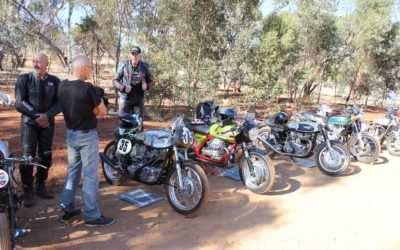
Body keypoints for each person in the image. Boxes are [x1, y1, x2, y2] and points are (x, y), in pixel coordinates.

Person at [58, 55, 115, 227]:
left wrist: (92, 108)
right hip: (87, 136)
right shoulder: (87, 88)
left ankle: (67, 207)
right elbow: (103, 111)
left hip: (71, 134)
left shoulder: (62, 85)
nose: (90, 70)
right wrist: (96, 108)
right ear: (82, 67)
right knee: (90, 175)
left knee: (73, 172)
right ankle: (91, 214)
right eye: (89, 67)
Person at [14, 52, 61, 207]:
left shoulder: (54, 81)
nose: (35, 64)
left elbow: (60, 103)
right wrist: (37, 116)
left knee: (46, 155)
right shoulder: (24, 79)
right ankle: (27, 189)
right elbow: (19, 103)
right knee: (27, 156)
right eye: (33, 61)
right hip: (29, 124)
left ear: (47, 63)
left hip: (47, 124)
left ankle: (40, 185)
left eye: (39, 61)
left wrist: (47, 116)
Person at [112, 46, 154, 118]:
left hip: (138, 100)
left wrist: (147, 86)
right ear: (130, 55)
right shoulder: (124, 65)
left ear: (140, 55)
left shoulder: (145, 66)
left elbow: (151, 81)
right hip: (125, 98)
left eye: (137, 54)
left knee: (138, 124)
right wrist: (123, 88)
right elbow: (115, 81)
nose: (135, 56)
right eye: (133, 54)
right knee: (123, 122)